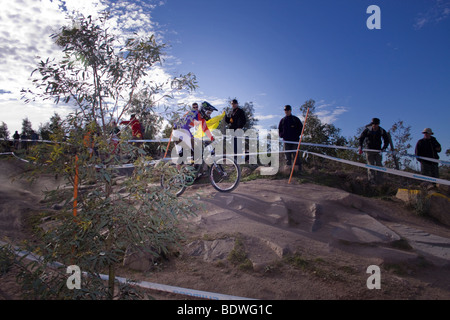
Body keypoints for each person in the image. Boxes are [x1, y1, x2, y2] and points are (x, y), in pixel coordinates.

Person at [173, 101, 218, 166]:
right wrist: (192, 137)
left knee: (189, 155)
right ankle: (189, 170)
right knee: (195, 151)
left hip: (183, 132)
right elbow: (185, 126)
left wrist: (212, 138)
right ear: (203, 110)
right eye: (208, 112)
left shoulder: (202, 119)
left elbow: (205, 129)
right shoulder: (193, 113)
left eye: (210, 113)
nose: (209, 115)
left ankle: (193, 170)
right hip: (178, 131)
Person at [358, 117, 389, 184]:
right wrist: (360, 146)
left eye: (376, 124)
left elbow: (386, 140)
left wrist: (384, 148)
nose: (375, 125)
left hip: (378, 151)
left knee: (379, 165)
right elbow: (361, 138)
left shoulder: (381, 130)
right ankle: (372, 181)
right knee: (370, 165)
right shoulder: (367, 130)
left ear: (378, 124)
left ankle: (379, 182)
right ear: (372, 124)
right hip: (369, 150)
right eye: (373, 124)